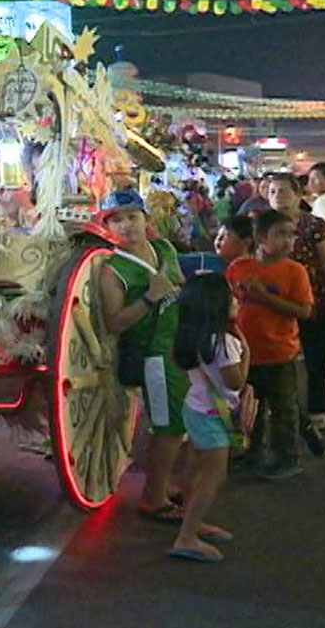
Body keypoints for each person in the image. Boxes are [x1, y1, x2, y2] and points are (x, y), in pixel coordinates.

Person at [97, 188, 188, 524]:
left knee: (179, 424)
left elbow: (179, 282)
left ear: (146, 219)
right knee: (168, 427)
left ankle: (164, 485)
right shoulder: (113, 270)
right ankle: (152, 498)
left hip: (178, 346)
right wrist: (150, 298)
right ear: (107, 226)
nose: (126, 226)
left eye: (132, 217)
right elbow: (114, 322)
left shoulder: (162, 248)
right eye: (116, 220)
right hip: (152, 355)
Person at [168, 274, 249, 563]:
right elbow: (235, 382)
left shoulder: (195, 338)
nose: (237, 300)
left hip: (196, 408)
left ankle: (193, 521)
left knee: (195, 471)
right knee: (214, 475)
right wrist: (246, 353)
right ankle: (187, 537)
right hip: (213, 415)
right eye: (232, 296)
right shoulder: (225, 343)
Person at [227, 209, 313, 479]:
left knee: (283, 410)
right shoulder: (239, 269)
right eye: (281, 235)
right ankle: (250, 454)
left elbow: (303, 311)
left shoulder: (294, 271)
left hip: (280, 353)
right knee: (249, 408)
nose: (289, 241)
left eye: (291, 235)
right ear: (260, 238)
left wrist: (265, 298)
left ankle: (287, 458)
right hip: (246, 353)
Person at [268, 173, 325, 456]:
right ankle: (283, 412)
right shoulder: (262, 224)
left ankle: (316, 411)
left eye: (282, 191)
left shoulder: (314, 225)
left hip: (315, 300)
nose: (277, 196)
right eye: (271, 191)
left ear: (297, 193)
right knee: (278, 358)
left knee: (316, 356)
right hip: (274, 304)